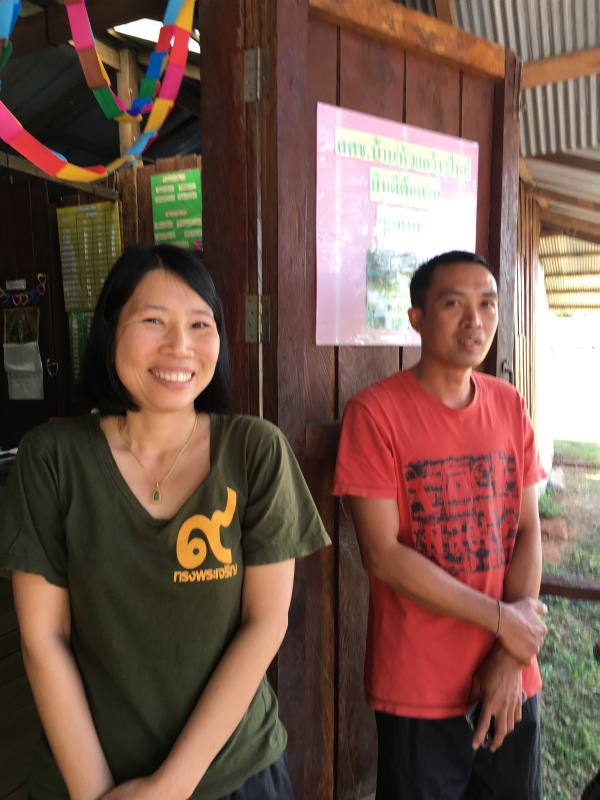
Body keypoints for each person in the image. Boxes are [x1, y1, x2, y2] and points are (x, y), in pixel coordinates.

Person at [0, 244, 330, 800]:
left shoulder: (255, 450)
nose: (180, 346)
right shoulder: (51, 458)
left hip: (234, 774)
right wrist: (95, 792)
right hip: (82, 778)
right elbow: (43, 638)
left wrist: (165, 789)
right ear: (109, 333)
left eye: (200, 324)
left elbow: (265, 624)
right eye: (153, 321)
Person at [332, 251, 548, 800]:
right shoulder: (375, 413)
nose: (475, 320)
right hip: (420, 687)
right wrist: (504, 621)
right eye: (454, 304)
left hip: (511, 678)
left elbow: (527, 529)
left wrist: (511, 653)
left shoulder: (509, 405)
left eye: (487, 304)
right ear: (417, 318)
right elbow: (382, 554)